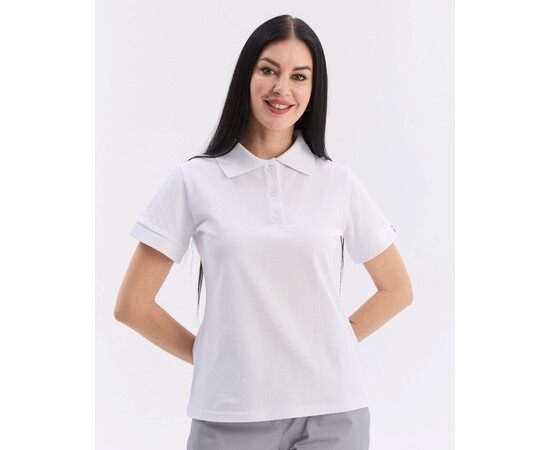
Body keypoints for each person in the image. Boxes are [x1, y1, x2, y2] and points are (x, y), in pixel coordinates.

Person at [115, 14, 413, 450]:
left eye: (299, 76)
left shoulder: (338, 182)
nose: (282, 88)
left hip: (335, 411)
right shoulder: (194, 181)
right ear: (246, 77)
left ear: (313, 90)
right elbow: (132, 305)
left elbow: (397, 289)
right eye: (269, 70)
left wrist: (332, 343)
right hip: (230, 414)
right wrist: (214, 359)